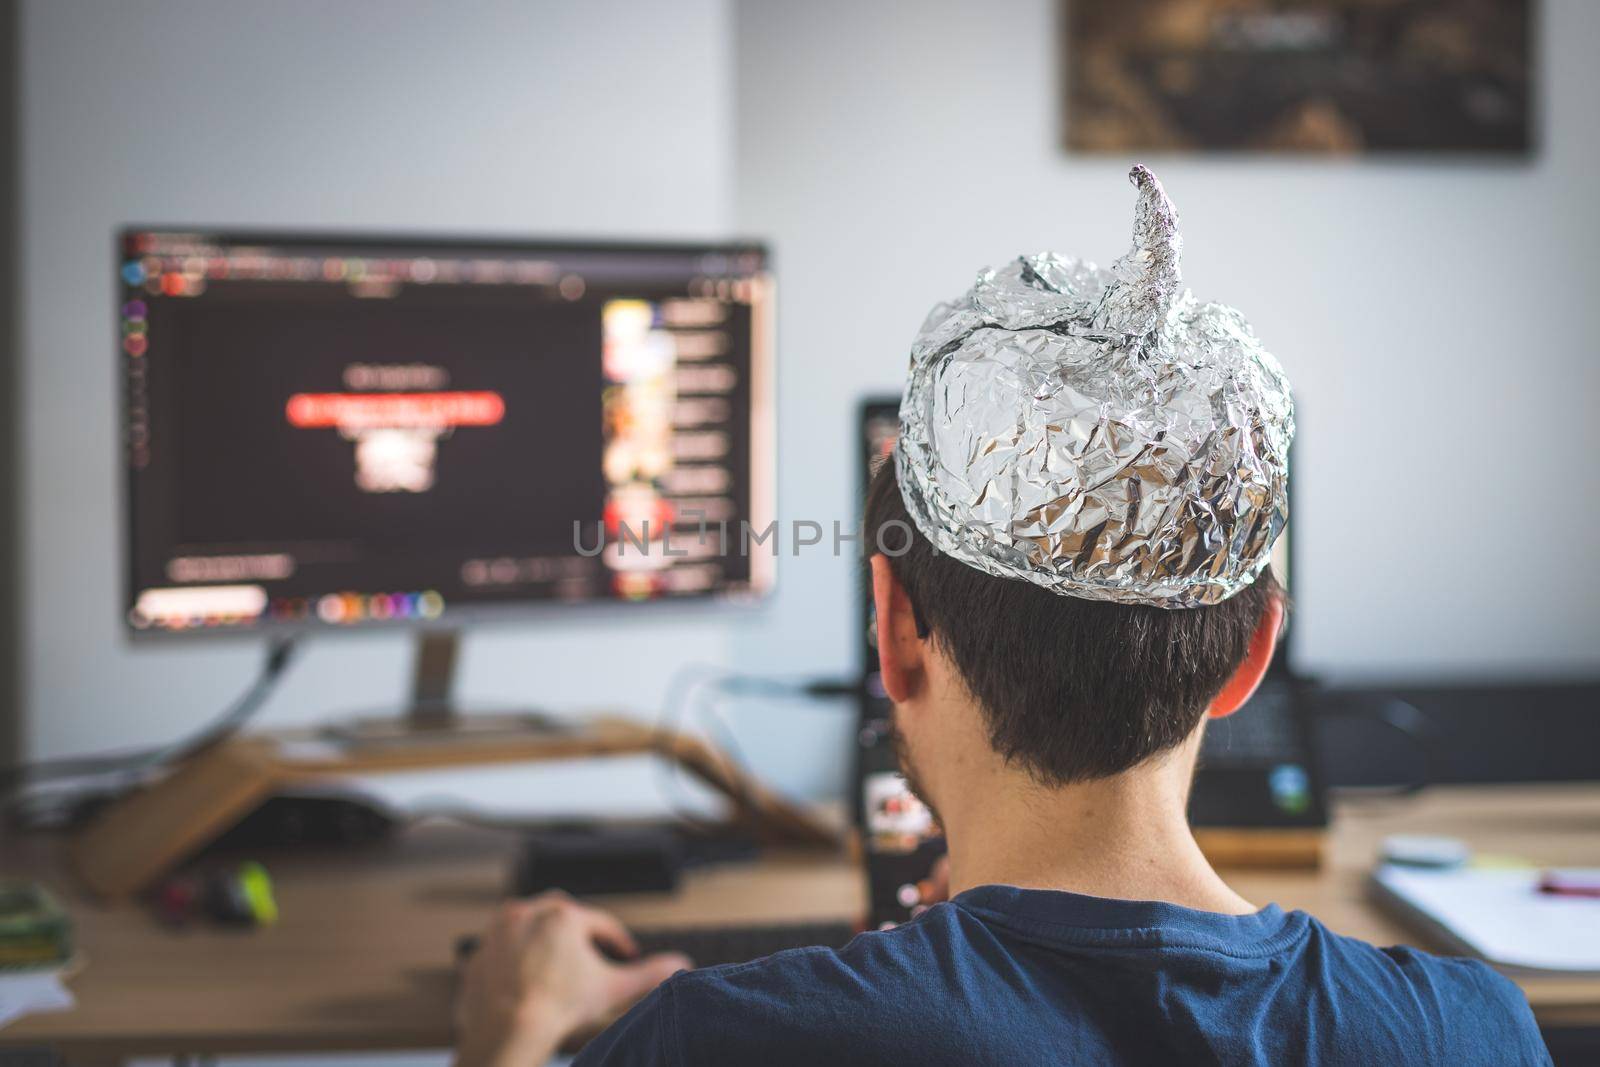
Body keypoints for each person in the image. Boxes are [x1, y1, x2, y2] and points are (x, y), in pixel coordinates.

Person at [454, 168, 1550, 1066]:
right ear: (1252, 650)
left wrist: (509, 1035)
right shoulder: (1470, 1032)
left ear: (892, 630)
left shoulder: (716, 1038)